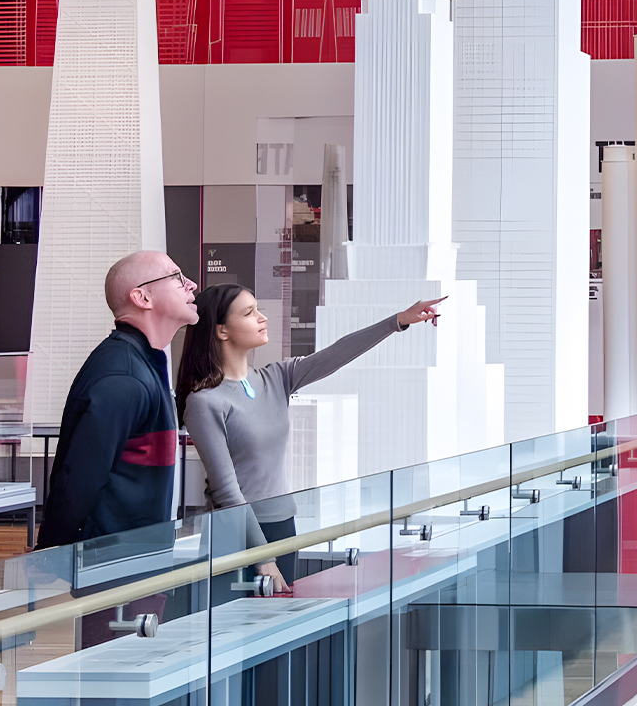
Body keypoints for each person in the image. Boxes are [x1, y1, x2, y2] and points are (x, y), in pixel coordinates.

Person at [178, 285, 442, 593]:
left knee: (276, 630)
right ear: (221, 331)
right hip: (236, 535)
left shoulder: (275, 377)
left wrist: (397, 321)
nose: (262, 318)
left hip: (283, 526)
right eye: (249, 313)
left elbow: (335, 355)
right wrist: (262, 556)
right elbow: (227, 491)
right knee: (235, 634)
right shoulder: (204, 402)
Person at [36, 250, 199, 549]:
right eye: (176, 277)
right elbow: (79, 479)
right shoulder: (124, 376)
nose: (191, 285)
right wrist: (48, 555)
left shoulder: (143, 363)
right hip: (113, 571)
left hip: (136, 566)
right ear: (142, 298)